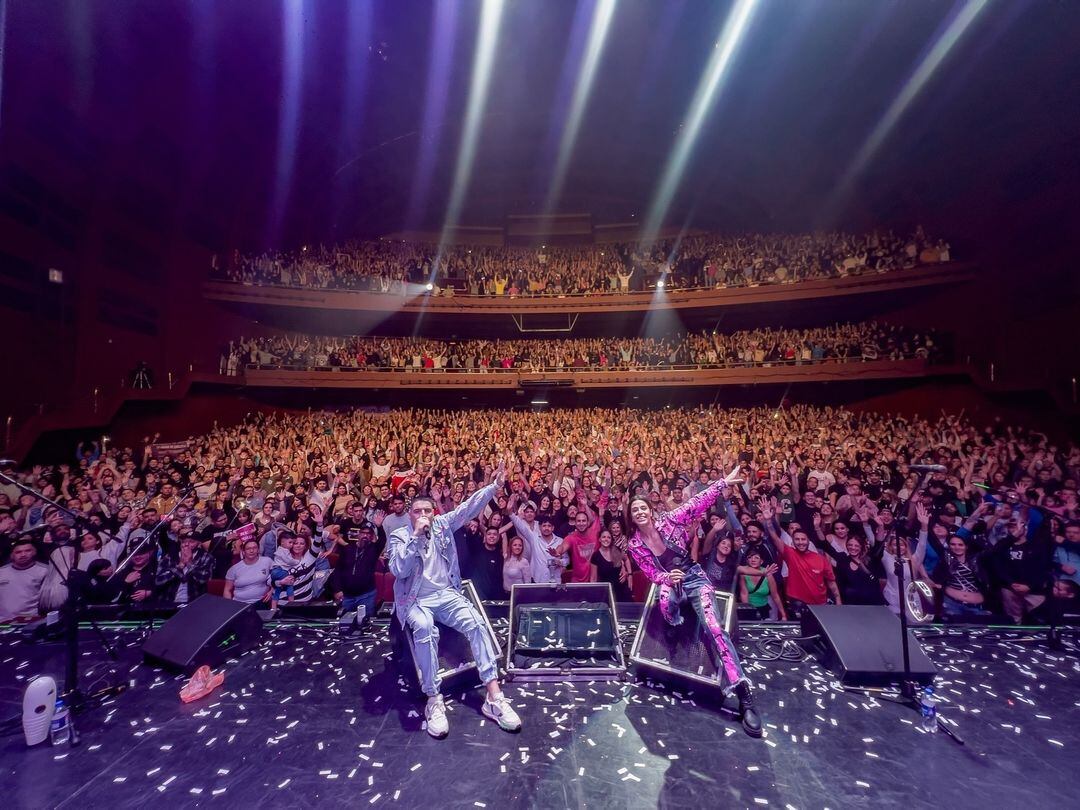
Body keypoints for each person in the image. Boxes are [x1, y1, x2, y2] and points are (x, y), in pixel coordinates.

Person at [624, 467, 761, 737]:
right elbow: (652, 574)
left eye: (643, 508)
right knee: (665, 605)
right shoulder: (635, 545)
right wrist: (666, 576)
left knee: (715, 629)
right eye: (635, 510)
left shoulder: (671, 520)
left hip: (695, 579)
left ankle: (744, 696)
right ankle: (677, 622)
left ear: (651, 511)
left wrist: (722, 483)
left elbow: (696, 502)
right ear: (631, 517)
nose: (640, 512)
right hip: (670, 585)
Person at [387, 464, 521, 738]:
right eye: (418, 512)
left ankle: (493, 697)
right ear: (410, 516)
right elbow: (399, 570)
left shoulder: (442, 525)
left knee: (476, 623)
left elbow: (467, 509)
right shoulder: (400, 536)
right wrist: (414, 537)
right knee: (424, 629)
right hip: (416, 601)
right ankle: (434, 699)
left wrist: (494, 488)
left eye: (428, 511)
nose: (424, 515)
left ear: (434, 513)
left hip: (446, 595)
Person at [329, 519, 385, 621]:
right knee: (345, 623)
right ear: (358, 534)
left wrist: (379, 527)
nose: (365, 536)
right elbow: (337, 571)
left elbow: (382, 541)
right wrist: (337, 589)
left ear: (372, 537)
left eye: (369, 534)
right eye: (363, 533)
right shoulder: (348, 549)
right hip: (346, 596)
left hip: (366, 596)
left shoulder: (373, 550)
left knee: (366, 624)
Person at [155, 531, 214, 605]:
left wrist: (190, 563)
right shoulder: (169, 557)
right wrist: (179, 566)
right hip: (168, 601)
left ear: (199, 543)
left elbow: (204, 580)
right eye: (183, 542)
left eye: (191, 542)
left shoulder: (206, 557)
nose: (186, 544)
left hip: (195, 602)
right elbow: (158, 581)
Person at [0, 538, 47, 621]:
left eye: (28, 551)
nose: (23, 555)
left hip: (32, 620)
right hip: (3, 621)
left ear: (34, 552)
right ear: (12, 555)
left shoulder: (45, 571)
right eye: (18, 552)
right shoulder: (1, 572)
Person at [738, 548, 785, 620]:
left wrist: (783, 615)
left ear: (761, 561)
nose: (753, 560)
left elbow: (775, 596)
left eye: (756, 557)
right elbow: (744, 594)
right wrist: (747, 612)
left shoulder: (768, 573)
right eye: (750, 557)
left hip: (764, 608)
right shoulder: (743, 573)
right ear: (747, 560)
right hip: (750, 608)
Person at [224, 538, 272, 604]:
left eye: (254, 548)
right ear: (243, 552)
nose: (252, 551)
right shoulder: (234, 569)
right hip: (240, 604)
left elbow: (277, 577)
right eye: (248, 549)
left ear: (258, 550)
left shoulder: (267, 561)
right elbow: (227, 590)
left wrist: (272, 591)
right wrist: (230, 606)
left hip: (262, 602)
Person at [590, 528, 632, 601]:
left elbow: (626, 559)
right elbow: (593, 578)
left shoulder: (617, 550)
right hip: (607, 593)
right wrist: (594, 594)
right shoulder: (596, 556)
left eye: (609, 537)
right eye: (604, 537)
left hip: (622, 591)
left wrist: (629, 574)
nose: (606, 539)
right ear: (599, 539)